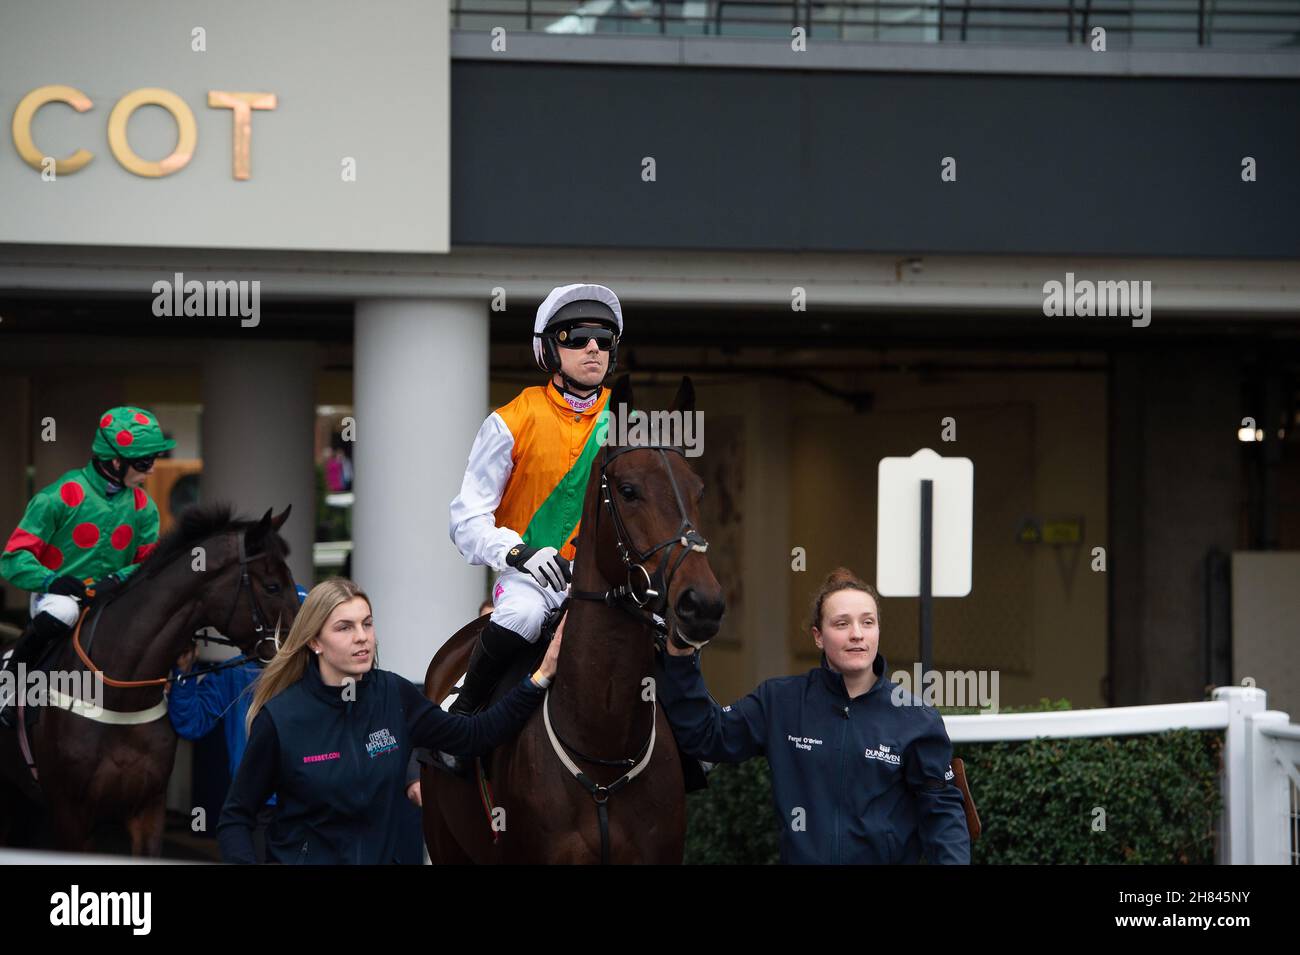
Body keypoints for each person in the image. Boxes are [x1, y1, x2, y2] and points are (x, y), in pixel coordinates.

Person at [216, 577, 560, 864]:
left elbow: (473, 735)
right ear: (315, 642)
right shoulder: (281, 718)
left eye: (367, 623)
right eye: (344, 627)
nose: (362, 636)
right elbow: (235, 817)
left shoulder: (394, 696)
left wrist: (540, 677)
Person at [657, 567, 971, 865]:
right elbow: (708, 735)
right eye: (841, 623)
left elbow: (942, 815)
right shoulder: (780, 702)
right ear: (818, 636)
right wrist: (682, 656)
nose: (857, 634)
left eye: (868, 622)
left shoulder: (916, 718)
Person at [446, 284, 620, 726]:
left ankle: (691, 740)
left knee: (661, 620)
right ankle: (463, 714)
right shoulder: (509, 420)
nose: (593, 347)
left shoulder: (626, 423)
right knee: (521, 616)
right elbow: (466, 520)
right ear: (549, 349)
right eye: (577, 337)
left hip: (602, 577)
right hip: (529, 580)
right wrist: (520, 554)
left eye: (604, 338)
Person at [0, 406, 173, 726]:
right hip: (58, 596)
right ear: (116, 461)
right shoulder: (56, 498)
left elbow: (149, 564)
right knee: (63, 611)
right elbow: (12, 560)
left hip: (114, 597)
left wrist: (116, 579)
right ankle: (11, 683)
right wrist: (52, 581)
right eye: (145, 462)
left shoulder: (144, 508)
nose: (151, 471)